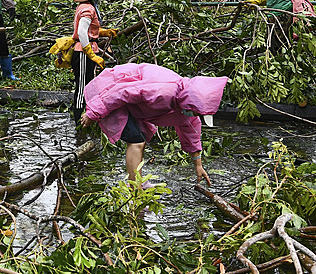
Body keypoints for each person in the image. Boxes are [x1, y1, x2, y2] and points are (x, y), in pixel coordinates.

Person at [80, 63, 228, 186]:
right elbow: (122, 92)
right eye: (197, 113)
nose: (196, 116)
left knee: (140, 139)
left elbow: (191, 132)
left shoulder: (186, 104)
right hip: (110, 90)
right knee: (136, 141)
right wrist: (93, 112)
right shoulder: (164, 91)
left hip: (132, 104)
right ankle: (135, 190)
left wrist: (198, 165)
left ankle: (139, 183)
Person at [71, 0, 118, 124]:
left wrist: (104, 32)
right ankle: (78, 120)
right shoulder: (88, 9)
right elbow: (81, 33)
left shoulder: (87, 7)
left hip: (88, 49)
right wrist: (90, 53)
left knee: (90, 84)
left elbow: (90, 29)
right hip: (83, 52)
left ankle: (88, 117)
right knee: (82, 86)